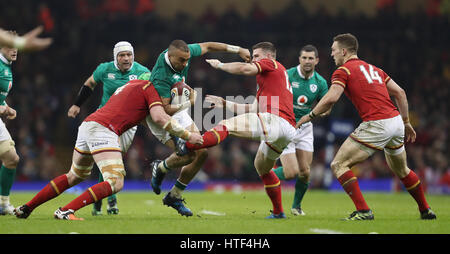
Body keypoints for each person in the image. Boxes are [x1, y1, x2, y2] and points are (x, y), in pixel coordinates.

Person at [14, 79, 203, 220]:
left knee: (74, 176)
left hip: (89, 124)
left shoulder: (132, 85)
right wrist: (187, 128)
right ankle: (65, 211)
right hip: (104, 129)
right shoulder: (150, 89)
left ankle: (27, 208)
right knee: (115, 182)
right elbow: (161, 116)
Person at [295, 33, 436, 220]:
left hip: (377, 123)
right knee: (402, 171)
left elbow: (332, 97)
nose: (332, 54)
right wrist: (406, 122)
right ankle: (425, 210)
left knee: (338, 164)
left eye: (334, 50)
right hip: (395, 122)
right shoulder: (375, 69)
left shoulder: (343, 71)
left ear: (344, 51)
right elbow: (400, 93)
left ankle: (363, 211)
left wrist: (310, 115)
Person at [175, 42, 298, 219]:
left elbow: (245, 69)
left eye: (256, 56)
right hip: (286, 129)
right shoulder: (272, 79)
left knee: (226, 125)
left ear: (270, 56)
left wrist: (220, 65)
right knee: (261, 167)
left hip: (275, 121)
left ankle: (186, 145)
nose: (253, 59)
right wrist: (224, 103)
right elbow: (253, 108)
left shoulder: (272, 64)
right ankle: (278, 212)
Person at [147, 39, 251, 217]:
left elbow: (208, 46)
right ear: (170, 56)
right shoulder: (161, 76)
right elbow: (164, 109)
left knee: (202, 152)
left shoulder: (182, 53)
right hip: (161, 115)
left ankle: (173, 192)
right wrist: (190, 101)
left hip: (179, 109)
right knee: (189, 155)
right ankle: (161, 168)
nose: (185, 63)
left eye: (187, 60)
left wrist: (239, 48)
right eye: (181, 61)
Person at [67, 41, 150, 216]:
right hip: (104, 121)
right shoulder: (104, 69)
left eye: (129, 54)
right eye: (122, 55)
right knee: (106, 158)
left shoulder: (143, 72)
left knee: (114, 160)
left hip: (128, 123)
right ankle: (106, 199)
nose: (126, 58)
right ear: (115, 57)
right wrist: (77, 105)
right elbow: (89, 84)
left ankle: (105, 196)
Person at [272, 45, 329, 216]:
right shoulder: (288, 75)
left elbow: (327, 106)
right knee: (291, 173)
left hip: (305, 127)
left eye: (311, 58)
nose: (307, 61)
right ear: (299, 59)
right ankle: (266, 172)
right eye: (304, 58)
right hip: (286, 125)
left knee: (305, 172)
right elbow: (273, 92)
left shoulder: (320, 82)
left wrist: (318, 112)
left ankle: (296, 207)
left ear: (316, 60)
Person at [0, 32, 20, 215]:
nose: (13, 50)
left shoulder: (6, 66)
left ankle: (3, 203)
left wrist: (6, 107)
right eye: (9, 46)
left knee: (11, 158)